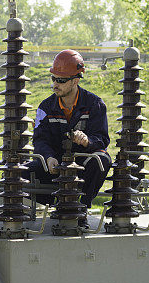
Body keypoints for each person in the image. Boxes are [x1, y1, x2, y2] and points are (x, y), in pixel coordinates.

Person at [26, 49, 112, 209]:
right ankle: (59, 205)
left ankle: (80, 208)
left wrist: (87, 141)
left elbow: (102, 140)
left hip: (82, 165)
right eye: (54, 78)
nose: (55, 84)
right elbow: (40, 140)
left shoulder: (94, 105)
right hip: (55, 164)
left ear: (75, 81)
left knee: (102, 160)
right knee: (23, 172)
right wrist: (48, 158)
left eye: (61, 80)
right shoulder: (45, 107)